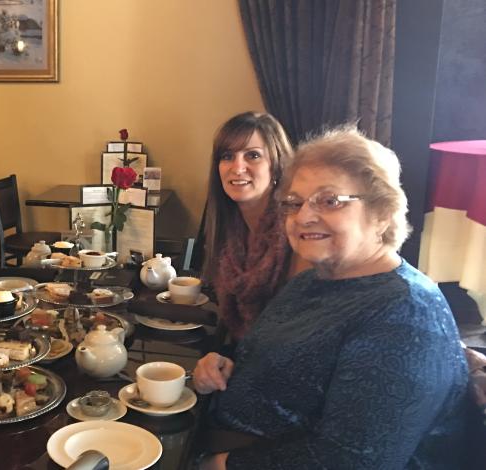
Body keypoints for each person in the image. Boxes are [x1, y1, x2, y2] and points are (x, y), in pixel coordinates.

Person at [193, 127, 468, 469]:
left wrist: (218, 465)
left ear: (382, 212)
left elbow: (350, 462)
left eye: (330, 200)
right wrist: (225, 364)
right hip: (218, 436)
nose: (303, 216)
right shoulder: (315, 279)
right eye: (294, 203)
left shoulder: (404, 314)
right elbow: (278, 358)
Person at [197, 111, 309, 338]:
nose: (237, 168)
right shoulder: (229, 228)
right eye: (227, 156)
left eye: (253, 155)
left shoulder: (297, 231)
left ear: (276, 165)